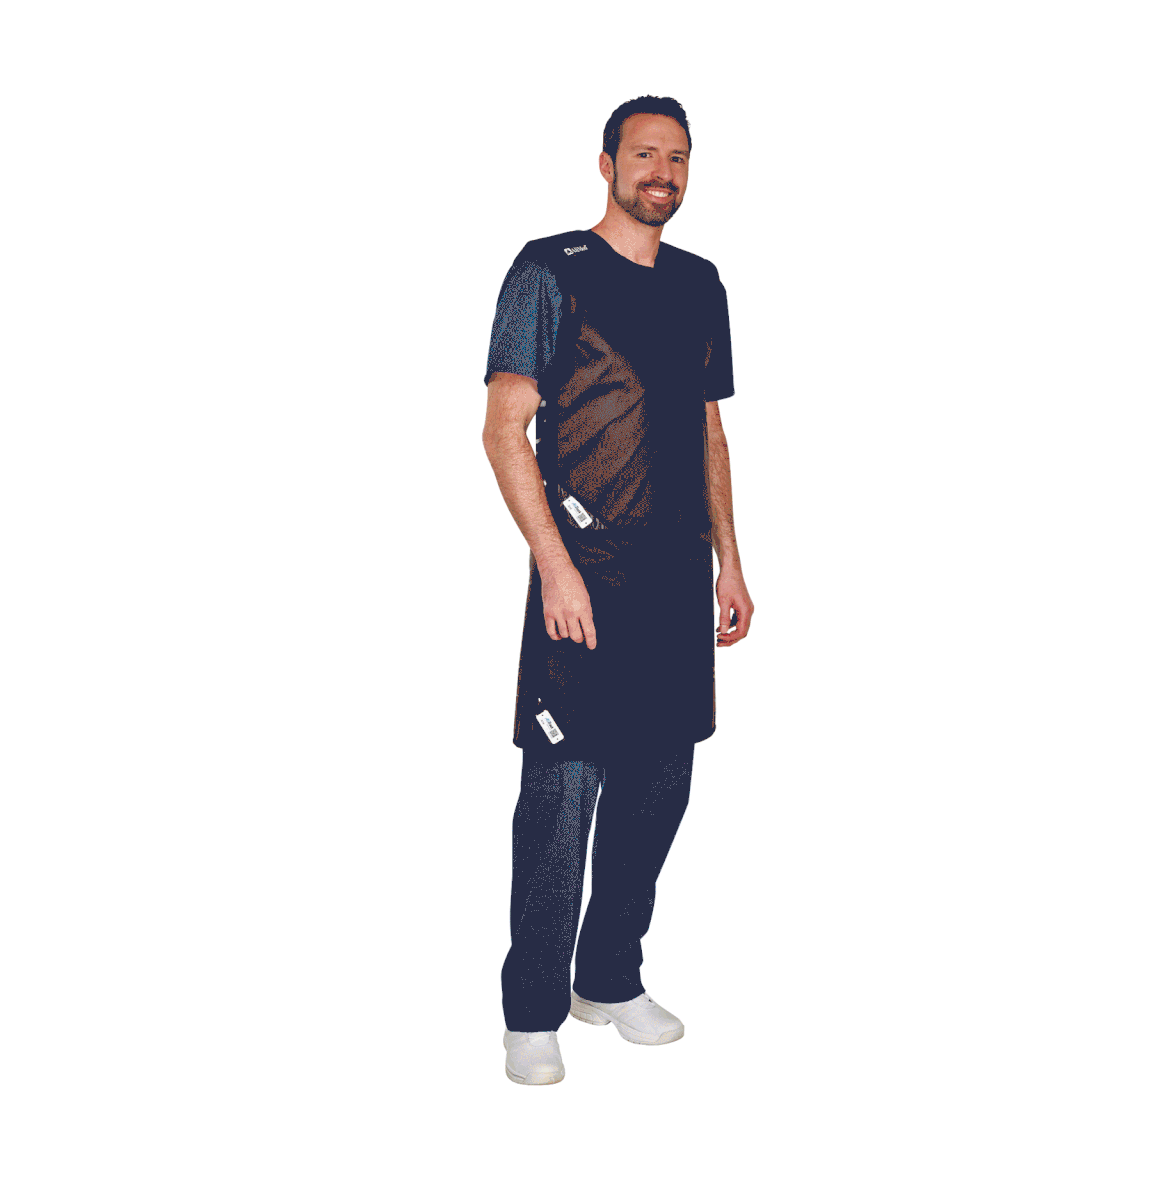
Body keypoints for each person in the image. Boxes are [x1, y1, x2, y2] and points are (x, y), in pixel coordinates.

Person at [480, 96, 754, 1086]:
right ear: (607, 164)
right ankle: (532, 1010)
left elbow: (708, 429)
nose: (661, 173)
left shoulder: (700, 284)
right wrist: (554, 565)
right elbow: (503, 429)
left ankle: (608, 976)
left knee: (658, 788)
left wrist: (730, 559)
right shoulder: (550, 272)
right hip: (585, 581)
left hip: (675, 583)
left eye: (677, 157)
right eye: (644, 154)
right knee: (563, 796)